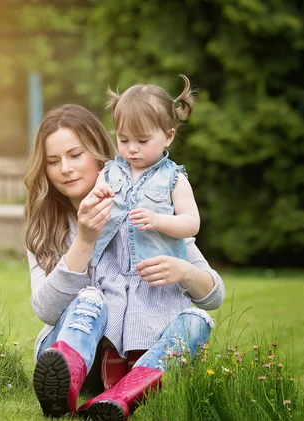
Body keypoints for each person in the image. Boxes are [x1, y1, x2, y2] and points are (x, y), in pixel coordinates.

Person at [24, 104, 225, 421]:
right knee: (91, 298)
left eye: (75, 154)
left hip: (135, 356)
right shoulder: (46, 228)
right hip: (76, 352)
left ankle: (122, 397)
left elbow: (213, 296)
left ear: (98, 153)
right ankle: (64, 386)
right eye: (53, 161)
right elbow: (47, 311)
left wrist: (184, 272)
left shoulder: (145, 209)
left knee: (197, 321)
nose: (65, 168)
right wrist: (85, 239)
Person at [90, 75, 203, 390]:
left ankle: (140, 384)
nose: (131, 149)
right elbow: (95, 198)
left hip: (153, 275)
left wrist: (158, 220)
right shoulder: (110, 171)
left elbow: (191, 222)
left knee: (147, 329)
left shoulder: (174, 179)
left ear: (168, 136)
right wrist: (97, 198)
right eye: (124, 140)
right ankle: (111, 387)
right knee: (114, 329)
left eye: (142, 141)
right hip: (115, 273)